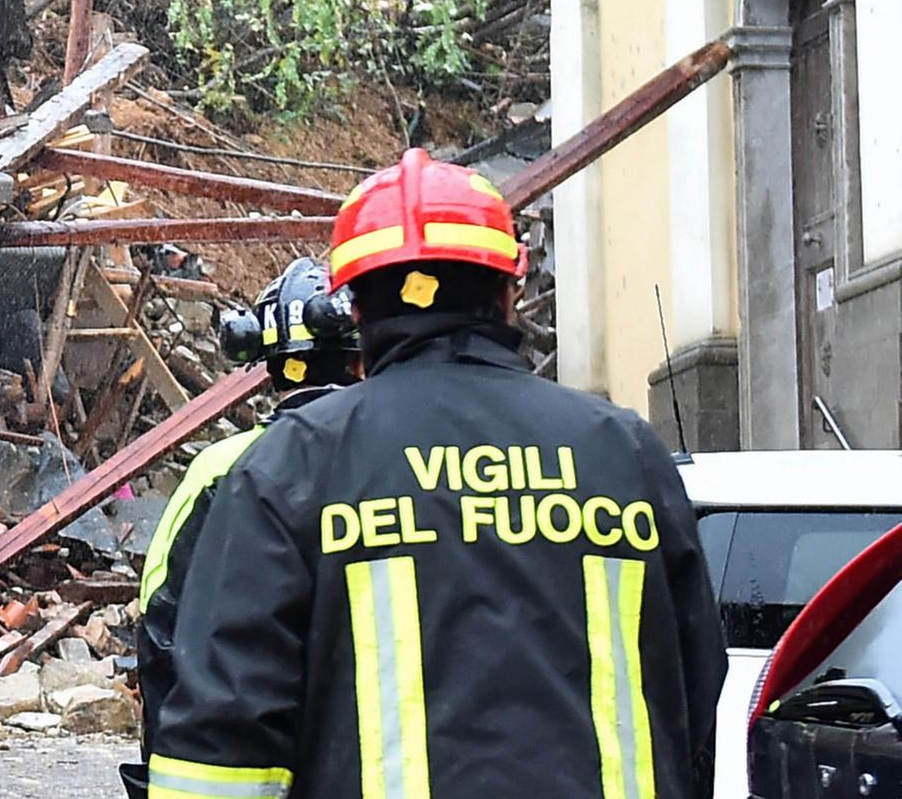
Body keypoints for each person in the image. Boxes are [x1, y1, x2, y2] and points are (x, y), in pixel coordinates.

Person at [144, 148, 727, 799]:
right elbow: (696, 692)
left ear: (356, 308)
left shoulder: (291, 468)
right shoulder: (626, 454)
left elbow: (219, 748)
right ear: (511, 291)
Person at [121, 257, 363, 799]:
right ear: (361, 356)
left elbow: (162, 629)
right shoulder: (399, 456)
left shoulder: (222, 468)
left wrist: (162, 766)